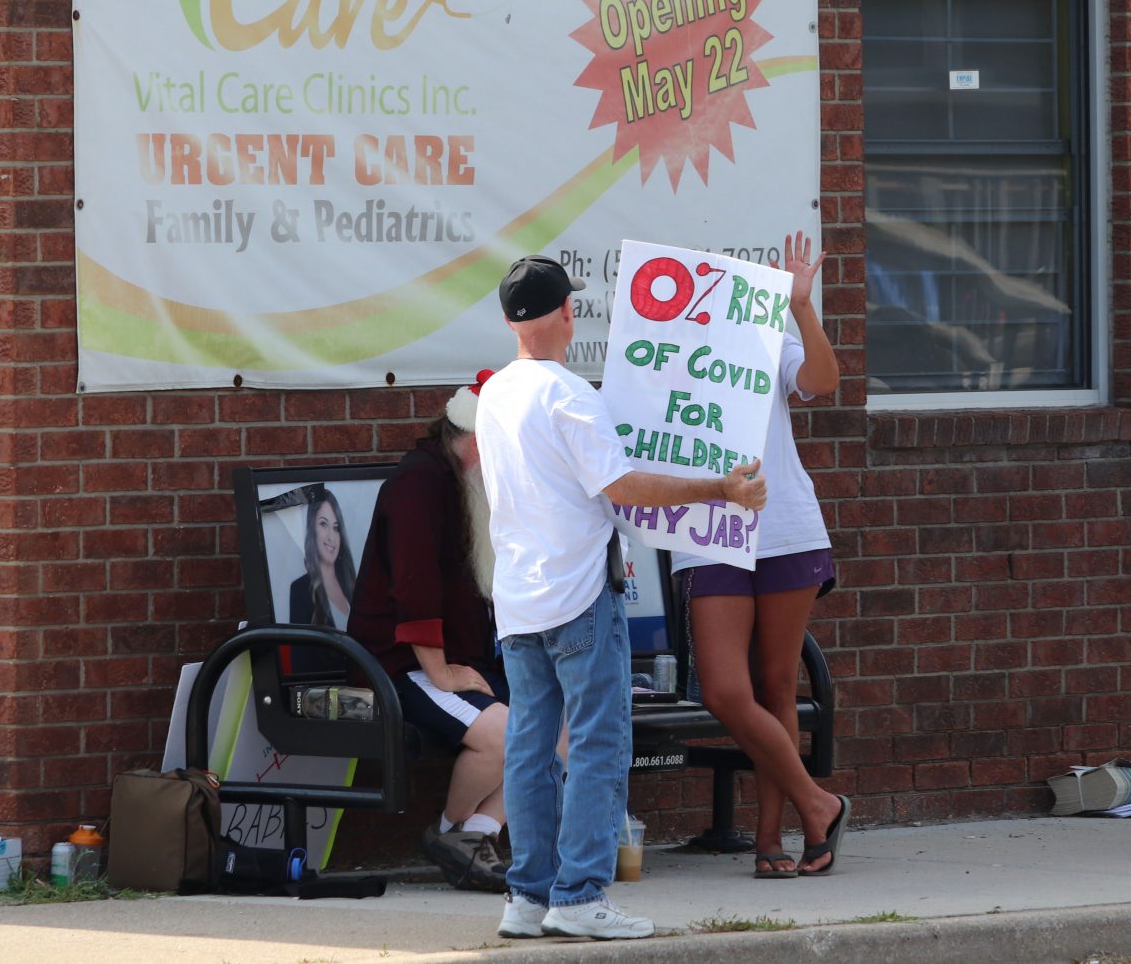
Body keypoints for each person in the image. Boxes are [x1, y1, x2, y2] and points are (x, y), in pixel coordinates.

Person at [476, 255, 771, 942]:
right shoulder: (571, 395)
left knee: (529, 746)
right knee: (600, 741)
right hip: (578, 593)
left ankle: (528, 894)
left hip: (518, 599)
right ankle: (578, 894)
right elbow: (624, 486)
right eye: (573, 305)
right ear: (564, 314)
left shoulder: (495, 393)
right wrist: (719, 488)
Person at [673, 231, 851, 878]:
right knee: (726, 688)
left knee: (777, 681)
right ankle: (817, 801)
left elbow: (823, 381)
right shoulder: (660, 353)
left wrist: (801, 305)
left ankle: (771, 837)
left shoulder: (765, 337)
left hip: (784, 526)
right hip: (708, 529)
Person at [347, 372, 512, 891]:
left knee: (565, 729)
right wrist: (441, 672)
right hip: (403, 664)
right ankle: (449, 832)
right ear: (479, 442)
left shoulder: (462, 482)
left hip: (466, 656)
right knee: (506, 736)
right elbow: (413, 588)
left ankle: (471, 834)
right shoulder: (418, 483)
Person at [288, 488, 356, 630]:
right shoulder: (300, 590)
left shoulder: (351, 582)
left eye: (336, 528)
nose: (331, 537)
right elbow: (301, 652)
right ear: (312, 528)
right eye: (323, 524)